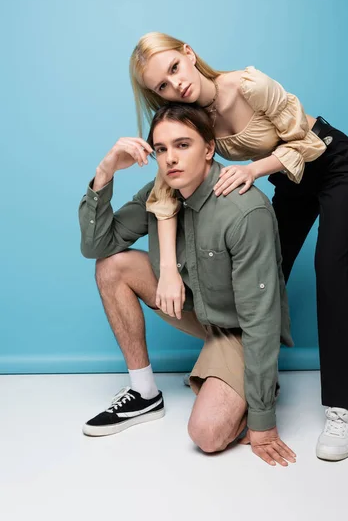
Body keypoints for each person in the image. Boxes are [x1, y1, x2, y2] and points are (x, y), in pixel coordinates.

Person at [129, 32, 348, 462]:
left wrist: (254, 170)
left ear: (189, 53)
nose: (175, 84)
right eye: (161, 86)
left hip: (332, 165)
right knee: (265, 280)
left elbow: (308, 144)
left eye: (174, 68)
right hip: (287, 181)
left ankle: (341, 408)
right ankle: (254, 383)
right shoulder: (190, 121)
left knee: (330, 271)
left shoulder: (247, 85)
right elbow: (165, 195)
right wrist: (166, 268)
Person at [79, 103, 296, 467]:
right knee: (112, 266)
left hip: (240, 330)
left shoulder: (245, 211)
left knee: (207, 435)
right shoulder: (160, 191)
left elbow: (261, 319)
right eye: (161, 149)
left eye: (183, 145)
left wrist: (263, 423)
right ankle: (144, 393)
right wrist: (105, 172)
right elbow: (96, 246)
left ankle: (252, 383)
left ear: (209, 148)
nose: (170, 159)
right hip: (197, 311)